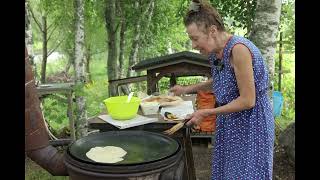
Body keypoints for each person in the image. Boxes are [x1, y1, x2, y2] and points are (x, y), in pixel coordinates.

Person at [170, 0, 274, 179]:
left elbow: (248, 100)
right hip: (231, 122)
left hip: (251, 123)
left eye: (195, 39)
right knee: (229, 173)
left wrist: (206, 112)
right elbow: (221, 80)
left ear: (212, 31)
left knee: (246, 174)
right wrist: (187, 88)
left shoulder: (239, 50)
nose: (193, 45)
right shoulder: (216, 52)